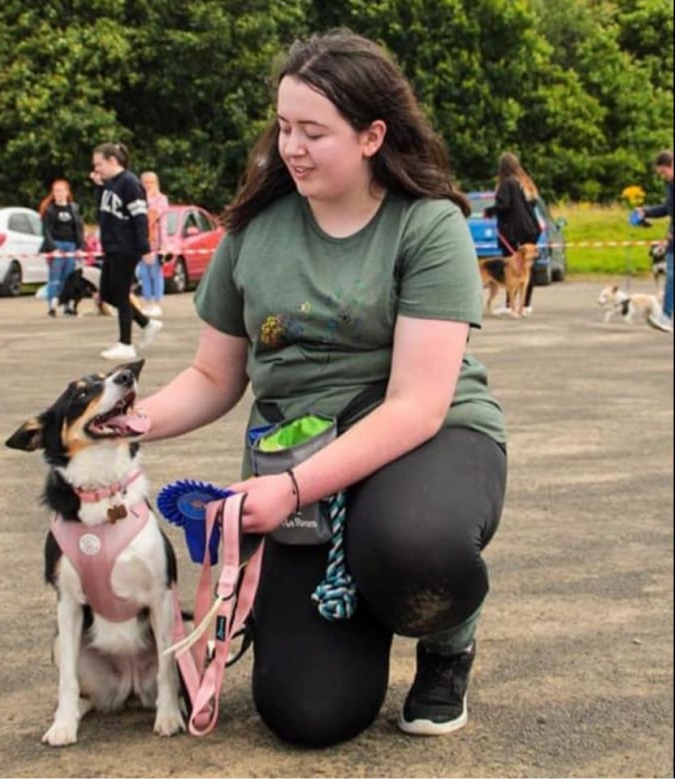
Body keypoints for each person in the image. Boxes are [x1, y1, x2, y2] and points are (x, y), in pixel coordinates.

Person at [136, 29, 507, 747]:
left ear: (373, 135)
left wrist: (296, 489)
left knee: (414, 546)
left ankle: (447, 638)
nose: (289, 148)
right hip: (293, 458)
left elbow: (417, 404)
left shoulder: (428, 227)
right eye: (282, 127)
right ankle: (353, 597)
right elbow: (214, 376)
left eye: (313, 131)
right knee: (307, 712)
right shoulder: (252, 232)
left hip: (424, 442)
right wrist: (124, 423)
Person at [91, 143, 162, 360]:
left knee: (121, 295)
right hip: (111, 246)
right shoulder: (110, 184)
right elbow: (102, 210)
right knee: (107, 294)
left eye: (99, 164)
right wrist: (99, 186)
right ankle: (146, 323)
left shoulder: (130, 183)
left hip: (126, 247)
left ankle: (126, 343)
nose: (96, 169)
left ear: (113, 161)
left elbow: (140, 217)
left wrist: (144, 247)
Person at [483, 151, 542, 316]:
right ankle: (525, 305)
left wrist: (489, 211)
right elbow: (534, 202)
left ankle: (511, 305)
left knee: (511, 268)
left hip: (514, 231)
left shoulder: (506, 183)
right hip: (531, 228)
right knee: (526, 269)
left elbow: (504, 205)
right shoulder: (525, 182)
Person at [636, 149, 673, 333]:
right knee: (672, 276)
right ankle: (665, 316)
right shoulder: (670, 185)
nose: (662, 176)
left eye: (663, 172)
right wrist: (647, 212)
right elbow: (668, 208)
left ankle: (666, 316)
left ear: (672, 165)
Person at [38, 178, 86, 317]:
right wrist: (53, 248)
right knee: (55, 277)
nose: (59, 194)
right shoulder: (50, 209)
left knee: (68, 277)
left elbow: (79, 228)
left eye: (61, 191)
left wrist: (80, 247)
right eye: (56, 191)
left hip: (71, 245)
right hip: (57, 245)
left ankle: (67, 305)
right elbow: (46, 230)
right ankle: (52, 305)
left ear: (67, 192)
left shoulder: (74, 208)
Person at [136, 171, 169, 319]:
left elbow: (162, 224)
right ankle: (148, 302)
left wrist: (164, 246)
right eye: (145, 183)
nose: (148, 185)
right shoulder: (138, 199)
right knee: (144, 273)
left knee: (155, 273)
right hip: (142, 241)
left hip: (156, 241)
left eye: (151, 182)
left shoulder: (162, 200)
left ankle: (157, 302)